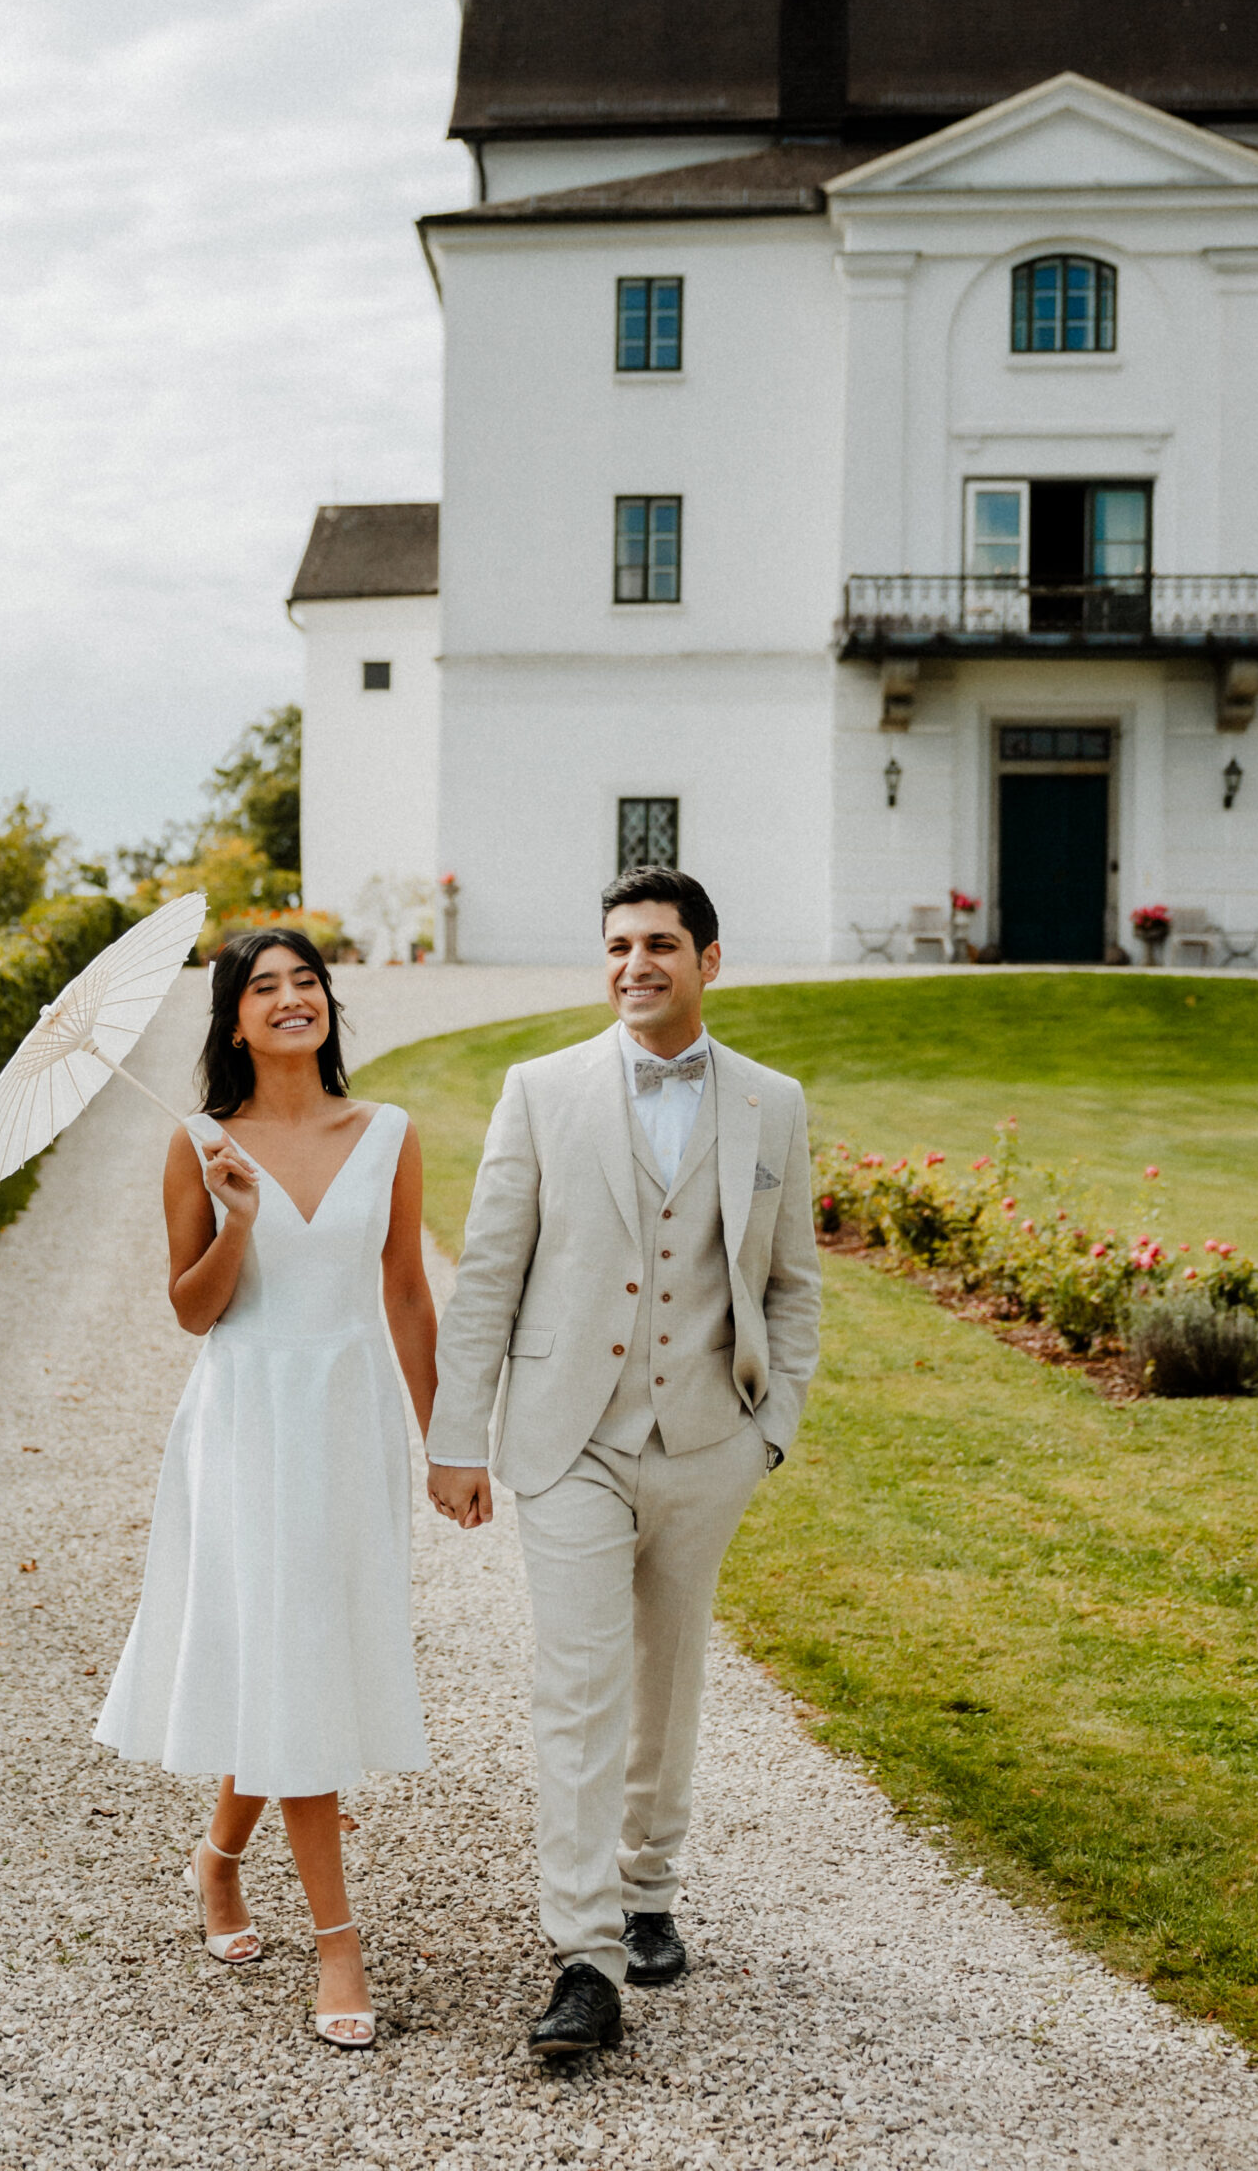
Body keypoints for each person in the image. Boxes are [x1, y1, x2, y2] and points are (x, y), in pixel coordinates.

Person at [425, 867, 822, 2058]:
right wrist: (458, 1435)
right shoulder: (539, 1091)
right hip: (569, 1440)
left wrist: (773, 1426)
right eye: (615, 945)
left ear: (710, 958)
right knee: (581, 1686)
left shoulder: (773, 1103)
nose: (633, 964)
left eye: (658, 943)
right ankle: (585, 1953)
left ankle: (651, 1884)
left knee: (670, 1673)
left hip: (709, 1439)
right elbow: (489, 1273)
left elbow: (793, 1284)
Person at [95, 928, 437, 2050]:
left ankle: (219, 1859)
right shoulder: (197, 1143)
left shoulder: (387, 1133)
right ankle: (341, 1946)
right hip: (245, 1424)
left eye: (306, 982)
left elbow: (405, 1295)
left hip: (348, 1422)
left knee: (296, 1654)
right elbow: (192, 1311)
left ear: (328, 1005)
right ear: (232, 1021)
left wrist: (447, 1442)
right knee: (290, 1656)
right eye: (264, 988)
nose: (291, 999)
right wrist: (236, 1219)